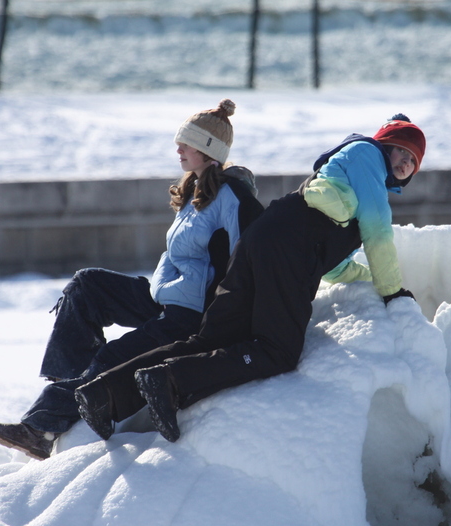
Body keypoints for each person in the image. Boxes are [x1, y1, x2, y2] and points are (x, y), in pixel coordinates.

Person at [72, 113, 427, 444]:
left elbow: (332, 266)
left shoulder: (353, 176)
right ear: (384, 145)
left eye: (412, 160)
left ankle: (105, 394)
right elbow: (378, 231)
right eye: (400, 150)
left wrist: (368, 278)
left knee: (213, 338)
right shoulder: (367, 155)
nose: (404, 162)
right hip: (287, 251)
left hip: (263, 241)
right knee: (278, 350)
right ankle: (168, 379)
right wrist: (391, 291)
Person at [0, 99, 264, 459]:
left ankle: (42, 429)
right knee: (87, 285)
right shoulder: (196, 190)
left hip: (192, 314)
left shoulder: (232, 196)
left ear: (208, 150)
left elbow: (250, 257)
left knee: (114, 356)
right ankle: (72, 379)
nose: (178, 148)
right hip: (164, 297)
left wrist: (226, 318)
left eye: (187, 143)